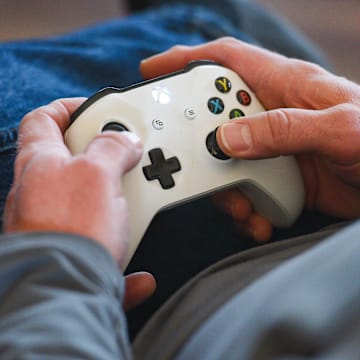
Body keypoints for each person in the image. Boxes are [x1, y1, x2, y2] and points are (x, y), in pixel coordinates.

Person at [0, 1, 359, 358]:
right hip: (316, 243)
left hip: (174, 316)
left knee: (205, 26)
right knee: (218, 32)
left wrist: (58, 268)